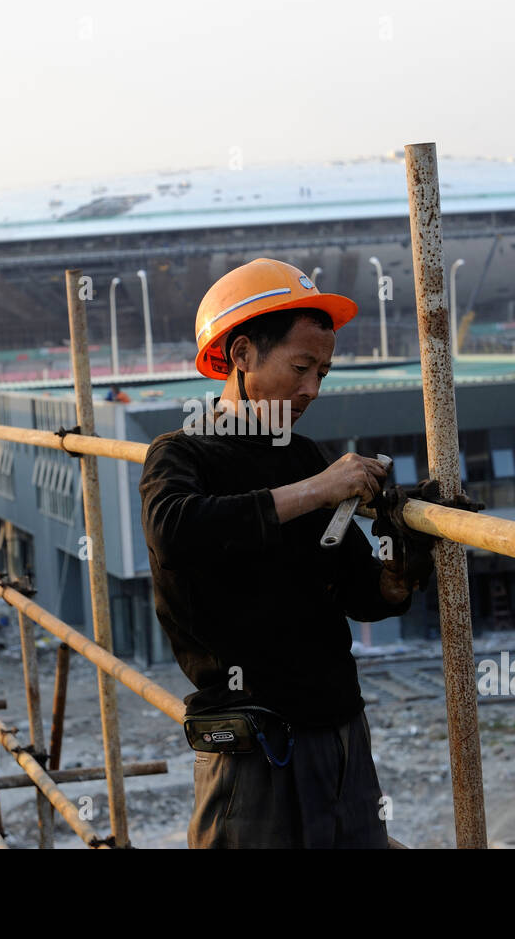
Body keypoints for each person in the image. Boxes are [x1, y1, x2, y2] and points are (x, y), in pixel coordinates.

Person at [139, 257, 433, 849]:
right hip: (252, 740)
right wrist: (321, 488)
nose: (311, 390)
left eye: (322, 372)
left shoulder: (302, 456)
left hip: (339, 729)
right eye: (301, 367)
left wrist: (400, 569)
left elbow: (356, 589)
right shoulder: (183, 455)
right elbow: (174, 530)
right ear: (242, 354)